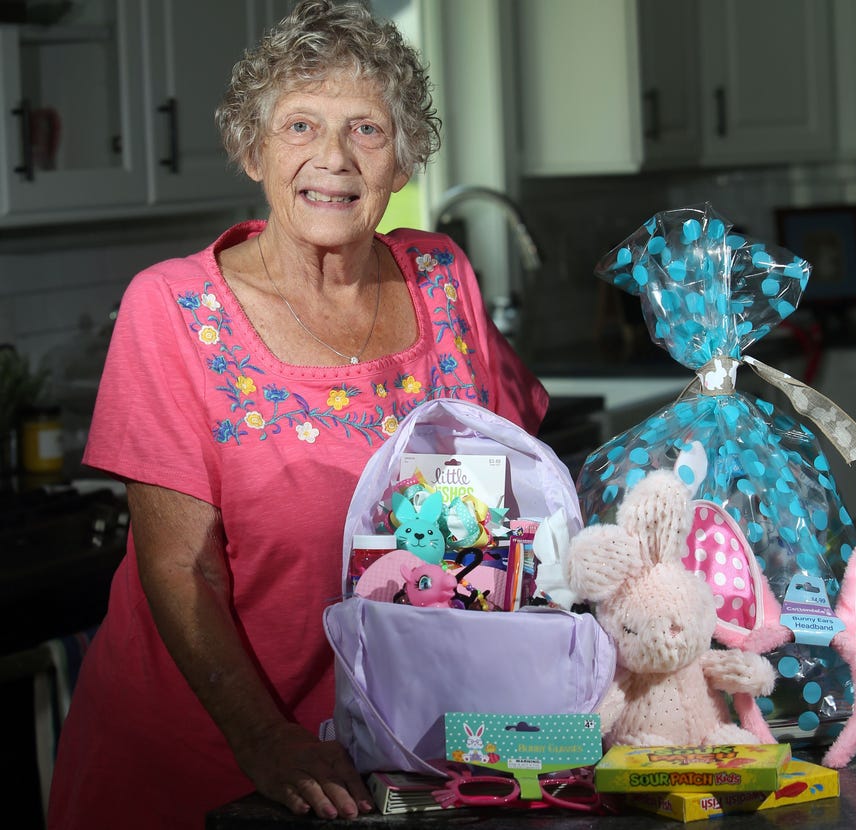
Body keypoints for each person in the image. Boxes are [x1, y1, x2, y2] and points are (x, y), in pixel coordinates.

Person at [47, 2, 547, 827]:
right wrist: (266, 742)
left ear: (404, 157)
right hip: (207, 769)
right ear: (252, 150)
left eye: (366, 130)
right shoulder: (173, 310)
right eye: (299, 126)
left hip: (401, 764)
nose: (334, 159)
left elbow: (514, 503)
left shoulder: (443, 279)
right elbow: (184, 570)